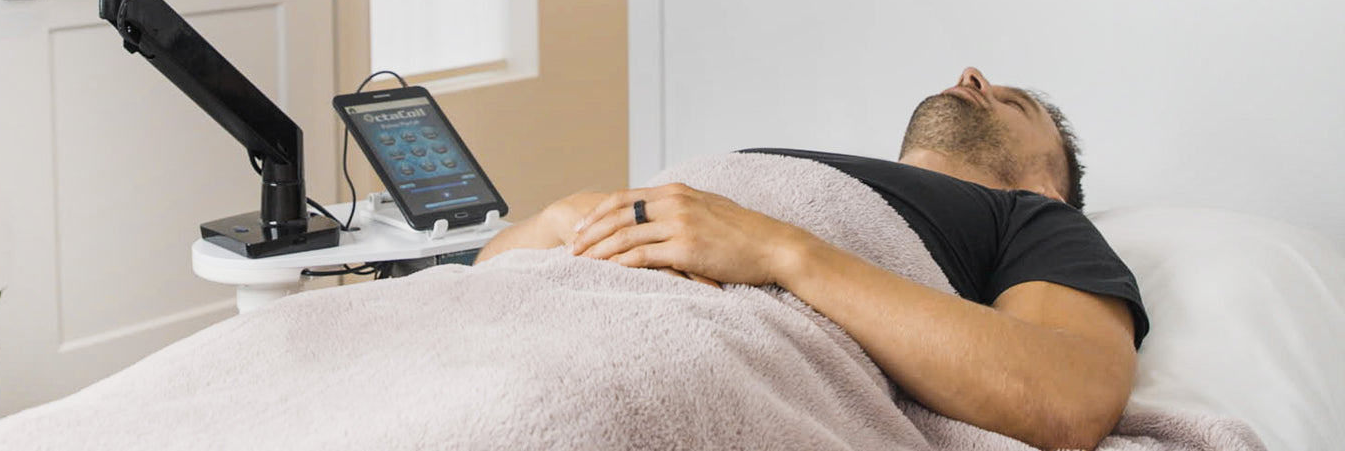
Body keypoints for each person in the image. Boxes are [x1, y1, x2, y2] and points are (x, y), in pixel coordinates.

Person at [476, 67, 1144, 451]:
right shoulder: (813, 165)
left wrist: (777, 249)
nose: (971, 75)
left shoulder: (1033, 216)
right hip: (537, 306)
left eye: (1013, 102)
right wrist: (565, 219)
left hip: (684, 345)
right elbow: (488, 269)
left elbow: (1068, 396)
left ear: (1047, 183)